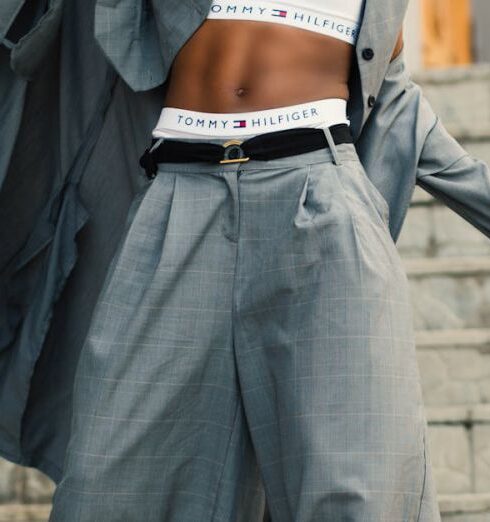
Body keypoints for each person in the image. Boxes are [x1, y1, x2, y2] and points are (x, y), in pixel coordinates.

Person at [1, 0, 488, 521]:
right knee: (107, 482)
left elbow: (394, 100)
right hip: (178, 199)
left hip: (319, 203)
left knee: (357, 489)